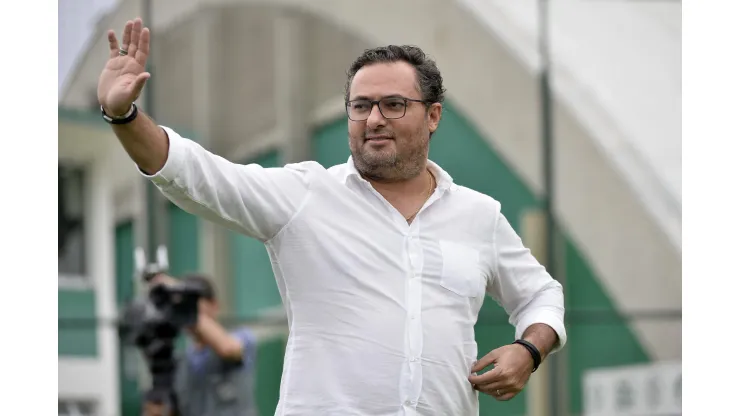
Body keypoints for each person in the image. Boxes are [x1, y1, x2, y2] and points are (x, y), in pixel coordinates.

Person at [98, 17, 566, 416]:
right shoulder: (306, 194)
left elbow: (541, 294)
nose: (374, 119)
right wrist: (125, 117)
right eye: (361, 106)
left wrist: (529, 350)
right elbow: (197, 176)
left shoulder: (478, 215)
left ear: (434, 116)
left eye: (394, 104)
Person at [144, 273, 258, 416]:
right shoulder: (181, 361)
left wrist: (182, 301)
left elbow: (229, 349)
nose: (182, 310)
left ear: (214, 305)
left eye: (191, 304)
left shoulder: (242, 338)